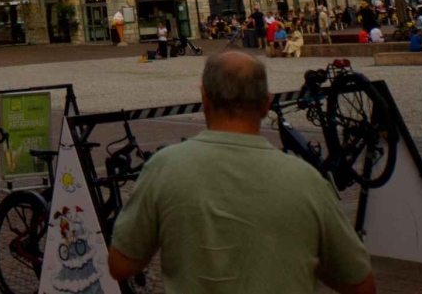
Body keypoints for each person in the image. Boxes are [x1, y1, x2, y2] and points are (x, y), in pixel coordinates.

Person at [108, 52, 376, 294]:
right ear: (266, 103)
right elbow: (359, 282)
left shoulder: (164, 167)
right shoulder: (307, 180)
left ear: (204, 98)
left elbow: (120, 264)